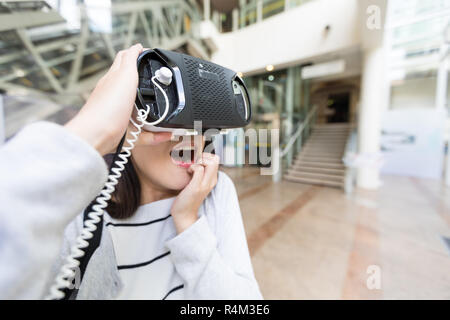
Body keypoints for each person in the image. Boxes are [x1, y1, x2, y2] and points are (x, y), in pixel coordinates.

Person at [0, 44, 262, 300]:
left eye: (201, 123)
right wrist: (96, 130)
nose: (190, 137)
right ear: (130, 120)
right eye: (172, 119)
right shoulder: (79, 211)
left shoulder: (216, 192)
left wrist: (187, 222)